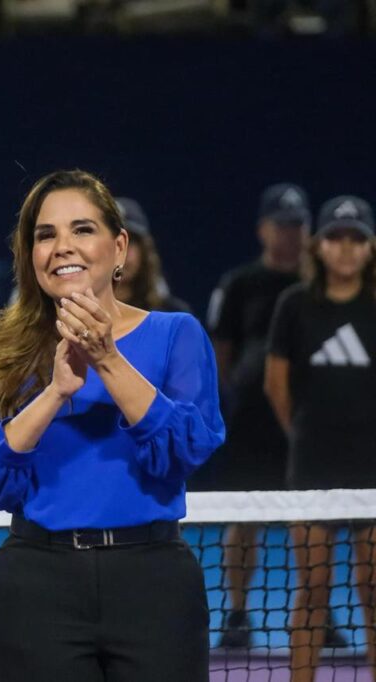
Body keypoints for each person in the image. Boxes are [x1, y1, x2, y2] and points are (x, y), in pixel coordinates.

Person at [0, 169, 224, 682]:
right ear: (29, 255)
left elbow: (188, 450)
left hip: (153, 582)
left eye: (82, 229)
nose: (62, 246)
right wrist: (54, 392)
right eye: (45, 234)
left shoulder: (176, 335)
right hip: (37, 586)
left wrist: (107, 359)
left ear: (119, 248)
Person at [196, 184, 338, 648]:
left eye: (298, 226)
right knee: (244, 519)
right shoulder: (240, 284)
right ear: (263, 229)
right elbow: (220, 351)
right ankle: (237, 612)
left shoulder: (322, 287)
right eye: (282, 225)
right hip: (252, 425)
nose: (291, 235)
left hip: (312, 425)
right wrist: (231, 396)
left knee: (317, 519)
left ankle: (321, 610)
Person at [264, 195, 376, 682]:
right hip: (312, 472)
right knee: (312, 589)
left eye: (356, 239)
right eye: (336, 238)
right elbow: (276, 384)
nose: (346, 249)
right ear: (319, 246)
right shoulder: (294, 305)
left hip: (373, 473)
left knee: (373, 591)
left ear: (370, 247)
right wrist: (305, 435)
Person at [113, 197, 193, 314]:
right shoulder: (78, 316)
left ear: (145, 251)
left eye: (131, 241)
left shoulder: (172, 318)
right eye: (114, 242)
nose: (122, 252)